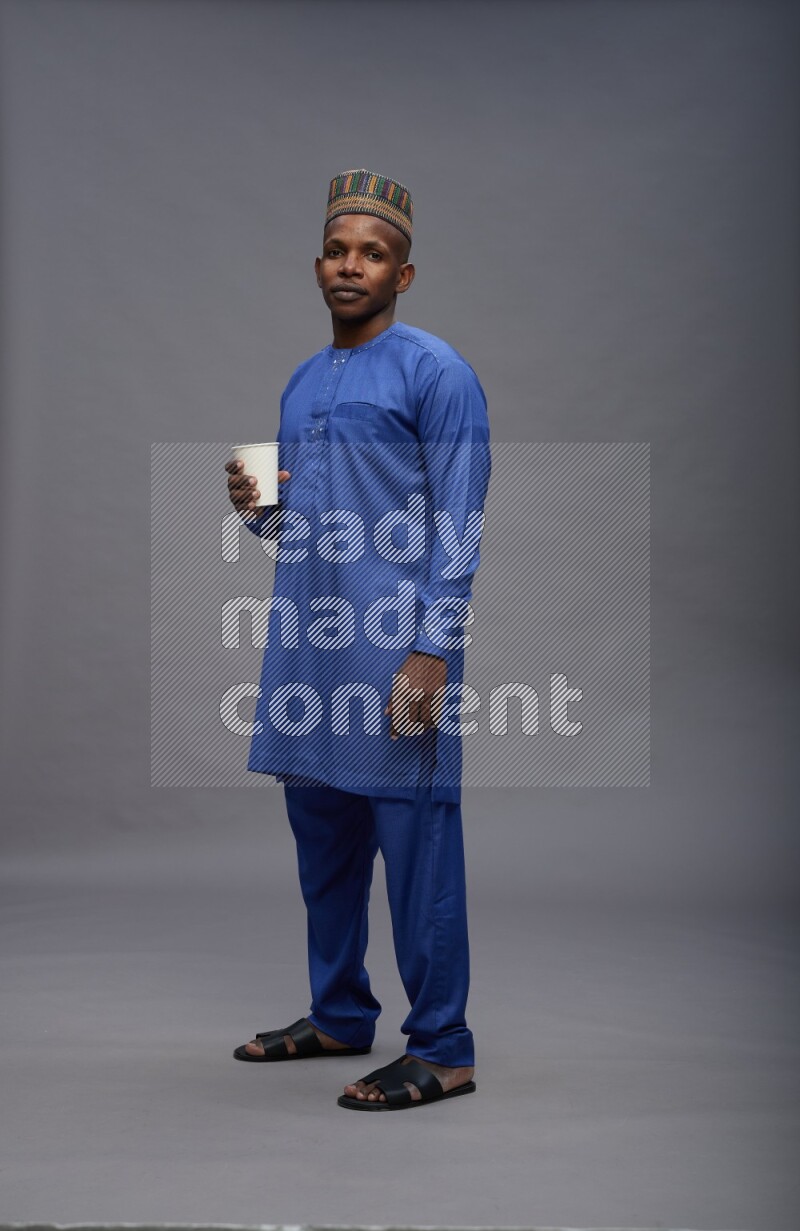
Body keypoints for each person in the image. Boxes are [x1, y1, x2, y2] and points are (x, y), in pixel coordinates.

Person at [224, 169, 491, 1111]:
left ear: (403, 274)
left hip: (393, 652)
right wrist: (259, 508)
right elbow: (307, 526)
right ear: (317, 265)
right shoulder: (304, 380)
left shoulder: (437, 372)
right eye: (338, 251)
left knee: (416, 847)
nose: (351, 266)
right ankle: (339, 1012)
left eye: (372, 254)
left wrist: (432, 648)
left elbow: (460, 519)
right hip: (309, 648)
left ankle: (445, 1046)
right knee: (324, 845)